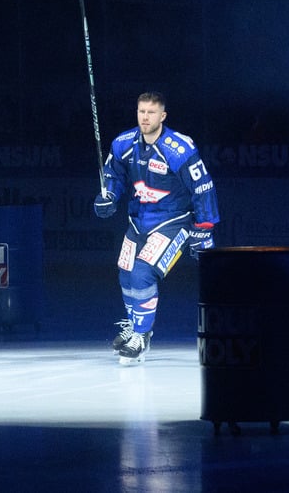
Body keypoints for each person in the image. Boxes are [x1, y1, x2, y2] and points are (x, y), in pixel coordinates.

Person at [93, 91, 219, 364]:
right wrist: (109, 197)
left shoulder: (179, 149)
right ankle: (133, 326)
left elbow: (203, 187)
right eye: (141, 112)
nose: (145, 117)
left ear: (162, 116)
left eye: (151, 112)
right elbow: (113, 175)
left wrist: (204, 228)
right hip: (138, 221)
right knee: (125, 272)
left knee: (142, 273)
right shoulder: (124, 143)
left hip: (172, 222)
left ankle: (141, 335)